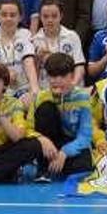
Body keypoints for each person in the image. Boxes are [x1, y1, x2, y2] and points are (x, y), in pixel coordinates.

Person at [27, 53, 94, 182]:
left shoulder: (82, 97)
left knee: (84, 166)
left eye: (62, 76)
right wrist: (42, 139)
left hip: (71, 144)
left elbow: (85, 136)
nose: (57, 80)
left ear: (72, 76)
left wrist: (65, 152)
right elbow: (28, 129)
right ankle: (44, 167)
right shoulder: (40, 97)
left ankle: (56, 166)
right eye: (52, 76)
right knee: (46, 108)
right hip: (48, 144)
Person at [33, 0, 86, 87]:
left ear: (61, 16)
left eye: (54, 16)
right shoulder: (34, 40)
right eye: (45, 16)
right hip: (46, 89)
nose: (50, 20)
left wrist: (73, 84)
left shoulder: (72, 36)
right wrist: (38, 60)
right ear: (40, 17)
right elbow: (32, 74)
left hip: (71, 87)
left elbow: (79, 65)